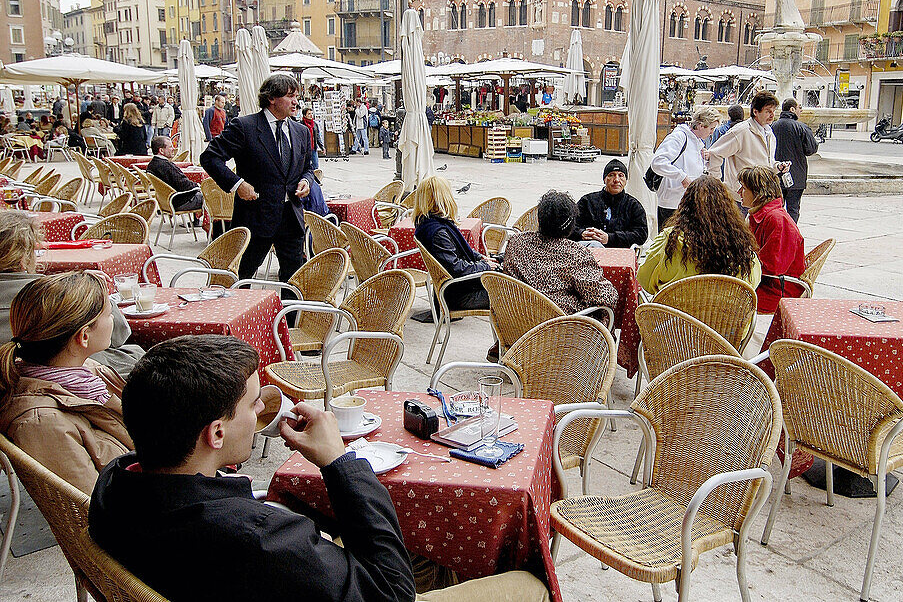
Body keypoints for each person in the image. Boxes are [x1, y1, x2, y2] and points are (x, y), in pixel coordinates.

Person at [89, 335, 549, 602]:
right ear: (215, 434)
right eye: (252, 404)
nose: (260, 411)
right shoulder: (261, 538)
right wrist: (338, 461)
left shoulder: (115, 484)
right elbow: (391, 593)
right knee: (529, 584)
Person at [0, 271, 133, 493]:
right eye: (110, 314)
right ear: (84, 336)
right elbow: (89, 508)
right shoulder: (42, 422)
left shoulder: (85, 374)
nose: (113, 320)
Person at [0, 210, 143, 376]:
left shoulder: (47, 289)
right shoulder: (50, 293)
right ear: (23, 258)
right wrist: (90, 290)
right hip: (69, 378)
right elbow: (119, 335)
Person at [200, 74, 313, 282]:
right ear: (272, 98)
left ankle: (291, 315)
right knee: (242, 277)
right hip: (256, 216)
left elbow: (308, 168)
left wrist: (306, 181)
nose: (296, 101)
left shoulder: (301, 131)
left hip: (291, 218)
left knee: (294, 280)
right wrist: (237, 184)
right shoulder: (245, 126)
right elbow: (210, 157)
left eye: (296, 96)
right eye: (290, 96)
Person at [502, 190, 618, 317]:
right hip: (561, 328)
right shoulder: (575, 254)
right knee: (603, 311)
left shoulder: (516, 241)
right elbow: (603, 296)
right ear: (571, 224)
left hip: (516, 320)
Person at [638, 176, 761, 295]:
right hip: (725, 314)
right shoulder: (739, 243)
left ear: (686, 205)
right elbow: (752, 282)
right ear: (727, 206)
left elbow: (644, 278)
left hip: (676, 313)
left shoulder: (670, 239)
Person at [412, 176, 497, 338]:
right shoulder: (438, 232)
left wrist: (481, 259)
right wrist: (485, 267)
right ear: (443, 198)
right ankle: (505, 346)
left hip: (455, 288)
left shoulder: (428, 223)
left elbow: (458, 254)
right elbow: (457, 269)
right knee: (515, 294)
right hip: (458, 295)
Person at [738, 166, 804, 316]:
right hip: (765, 283)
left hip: (775, 291)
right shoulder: (760, 216)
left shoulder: (777, 221)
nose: (739, 192)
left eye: (743, 188)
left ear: (758, 193)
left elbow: (771, 267)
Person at [707, 91, 790, 205]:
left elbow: (766, 162)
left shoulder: (769, 133)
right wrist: (717, 185)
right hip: (740, 197)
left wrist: (777, 166)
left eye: (773, 111)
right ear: (755, 111)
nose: (772, 115)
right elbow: (715, 153)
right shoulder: (741, 131)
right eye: (768, 111)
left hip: (761, 196)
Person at [650, 107, 718, 229]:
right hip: (672, 202)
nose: (712, 132)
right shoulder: (679, 137)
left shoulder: (697, 141)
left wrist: (705, 159)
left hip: (687, 201)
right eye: (711, 128)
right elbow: (658, 162)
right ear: (701, 125)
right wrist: (681, 176)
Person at [569, 159, 647, 248]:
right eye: (611, 175)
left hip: (620, 254)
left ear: (626, 180)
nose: (616, 180)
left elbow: (641, 234)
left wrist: (610, 238)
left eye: (621, 175)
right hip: (589, 252)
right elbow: (569, 226)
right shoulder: (587, 201)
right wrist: (581, 233)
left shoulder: (633, 205)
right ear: (604, 179)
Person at [771, 98, 819, 222]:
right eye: (799, 107)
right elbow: (811, 149)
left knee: (776, 207)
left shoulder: (771, 127)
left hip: (776, 174)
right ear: (792, 109)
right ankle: (791, 235)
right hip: (796, 175)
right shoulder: (802, 127)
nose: (801, 110)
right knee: (793, 209)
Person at [148, 136, 203, 214]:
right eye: (170, 147)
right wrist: (199, 186)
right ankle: (216, 224)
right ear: (161, 150)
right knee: (215, 198)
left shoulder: (152, 165)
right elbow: (184, 185)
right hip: (180, 201)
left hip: (167, 202)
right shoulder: (166, 166)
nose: (173, 149)